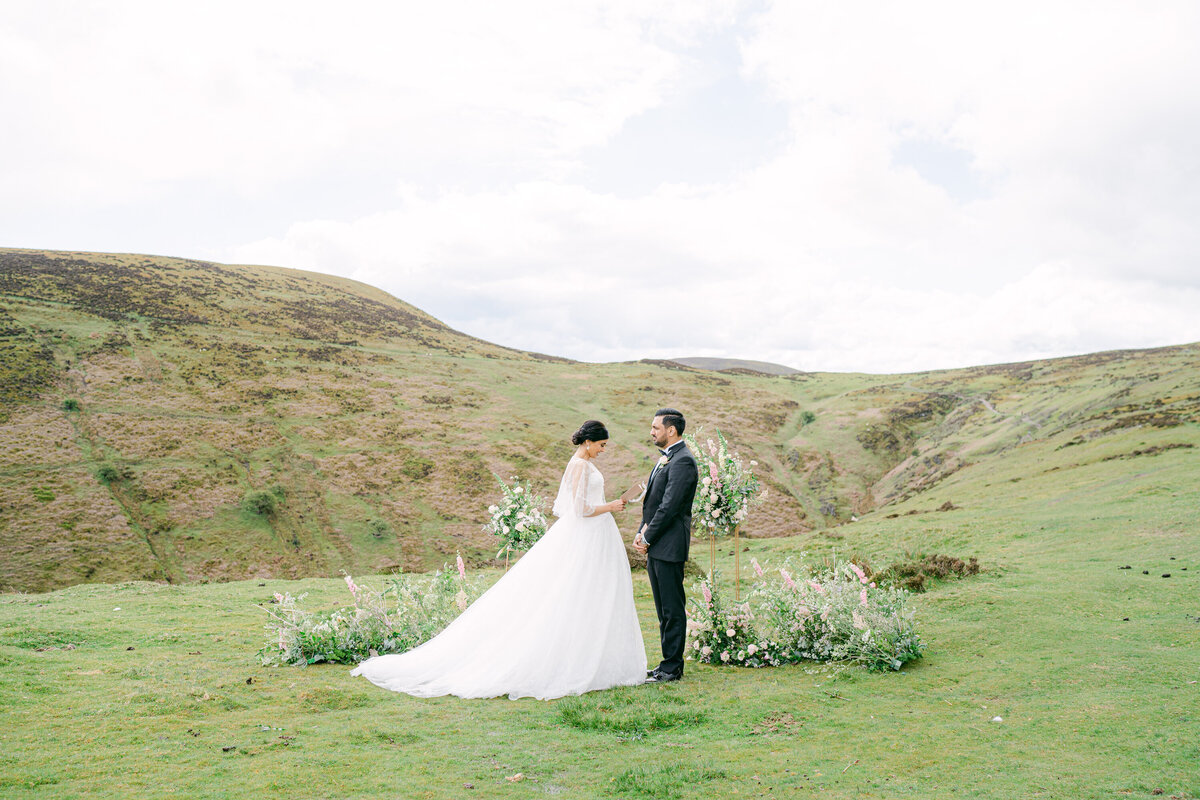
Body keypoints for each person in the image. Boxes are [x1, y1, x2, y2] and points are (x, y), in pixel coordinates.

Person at [351, 420, 647, 700]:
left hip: (594, 536)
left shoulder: (582, 463)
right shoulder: (580, 465)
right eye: (602, 445)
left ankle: (592, 657)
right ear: (588, 441)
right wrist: (611, 506)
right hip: (587, 534)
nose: (603, 450)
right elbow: (580, 509)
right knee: (572, 592)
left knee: (593, 595)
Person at [633, 408, 698, 683]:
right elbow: (654, 504)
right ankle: (665, 664)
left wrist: (647, 538)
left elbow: (670, 507)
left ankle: (672, 667)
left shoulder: (683, 461)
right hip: (658, 544)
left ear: (671, 430)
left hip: (669, 545)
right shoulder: (666, 460)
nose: (651, 431)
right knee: (662, 609)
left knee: (672, 609)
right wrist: (641, 532)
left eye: (655, 427)